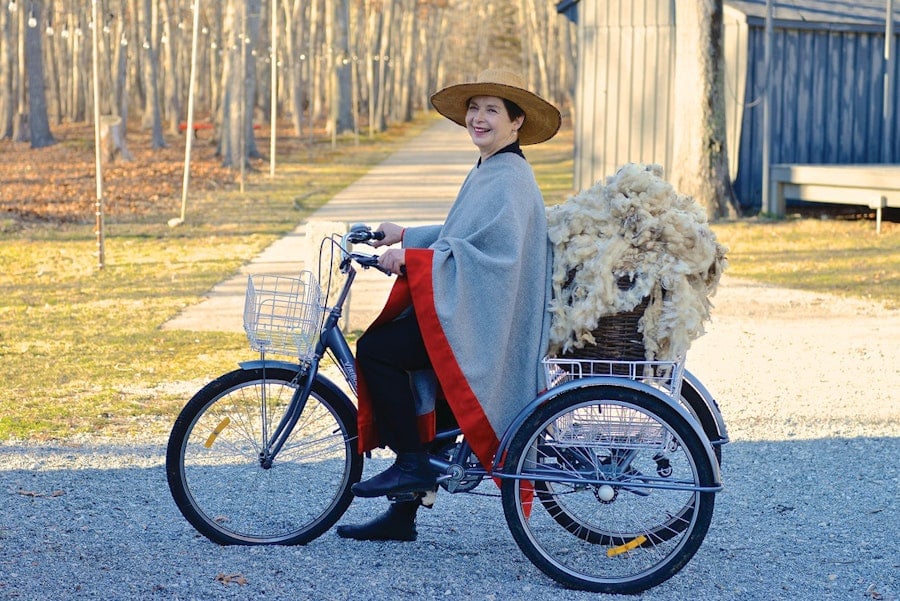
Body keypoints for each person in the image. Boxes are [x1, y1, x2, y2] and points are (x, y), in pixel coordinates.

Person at [336, 69, 561, 542]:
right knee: (410, 364)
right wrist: (406, 236)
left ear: (517, 122)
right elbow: (463, 235)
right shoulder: (491, 168)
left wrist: (413, 261)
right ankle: (402, 517)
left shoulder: (509, 180)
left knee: (379, 349)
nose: (478, 119)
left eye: (492, 111)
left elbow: (490, 259)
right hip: (478, 309)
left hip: (489, 321)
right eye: (473, 109)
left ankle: (413, 465)